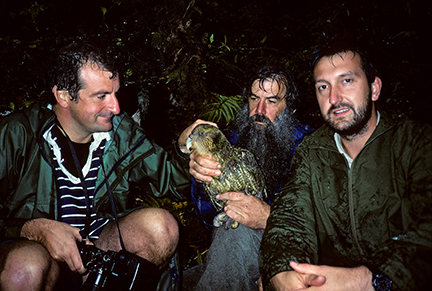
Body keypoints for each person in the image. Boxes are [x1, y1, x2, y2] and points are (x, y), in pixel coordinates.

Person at [0, 40, 209, 291]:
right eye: (101, 96)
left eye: (115, 93)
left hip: (98, 253)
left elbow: (172, 181)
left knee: (160, 225)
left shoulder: (120, 133)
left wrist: (183, 148)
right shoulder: (14, 136)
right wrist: (33, 229)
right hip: (33, 253)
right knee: (25, 268)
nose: (116, 107)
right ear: (64, 96)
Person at [259, 39, 432, 290]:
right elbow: (290, 217)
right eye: (323, 86)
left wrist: (372, 280)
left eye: (347, 80)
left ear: (374, 88)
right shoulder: (311, 151)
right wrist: (284, 271)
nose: (334, 97)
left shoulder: (416, 143)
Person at [183, 64, 314, 290]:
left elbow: (323, 222)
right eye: (254, 99)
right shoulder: (229, 142)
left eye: (272, 101)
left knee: (236, 233)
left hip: (293, 247)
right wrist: (201, 175)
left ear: (290, 109)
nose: (259, 109)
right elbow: (206, 217)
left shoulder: (311, 148)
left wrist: (269, 217)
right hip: (230, 248)